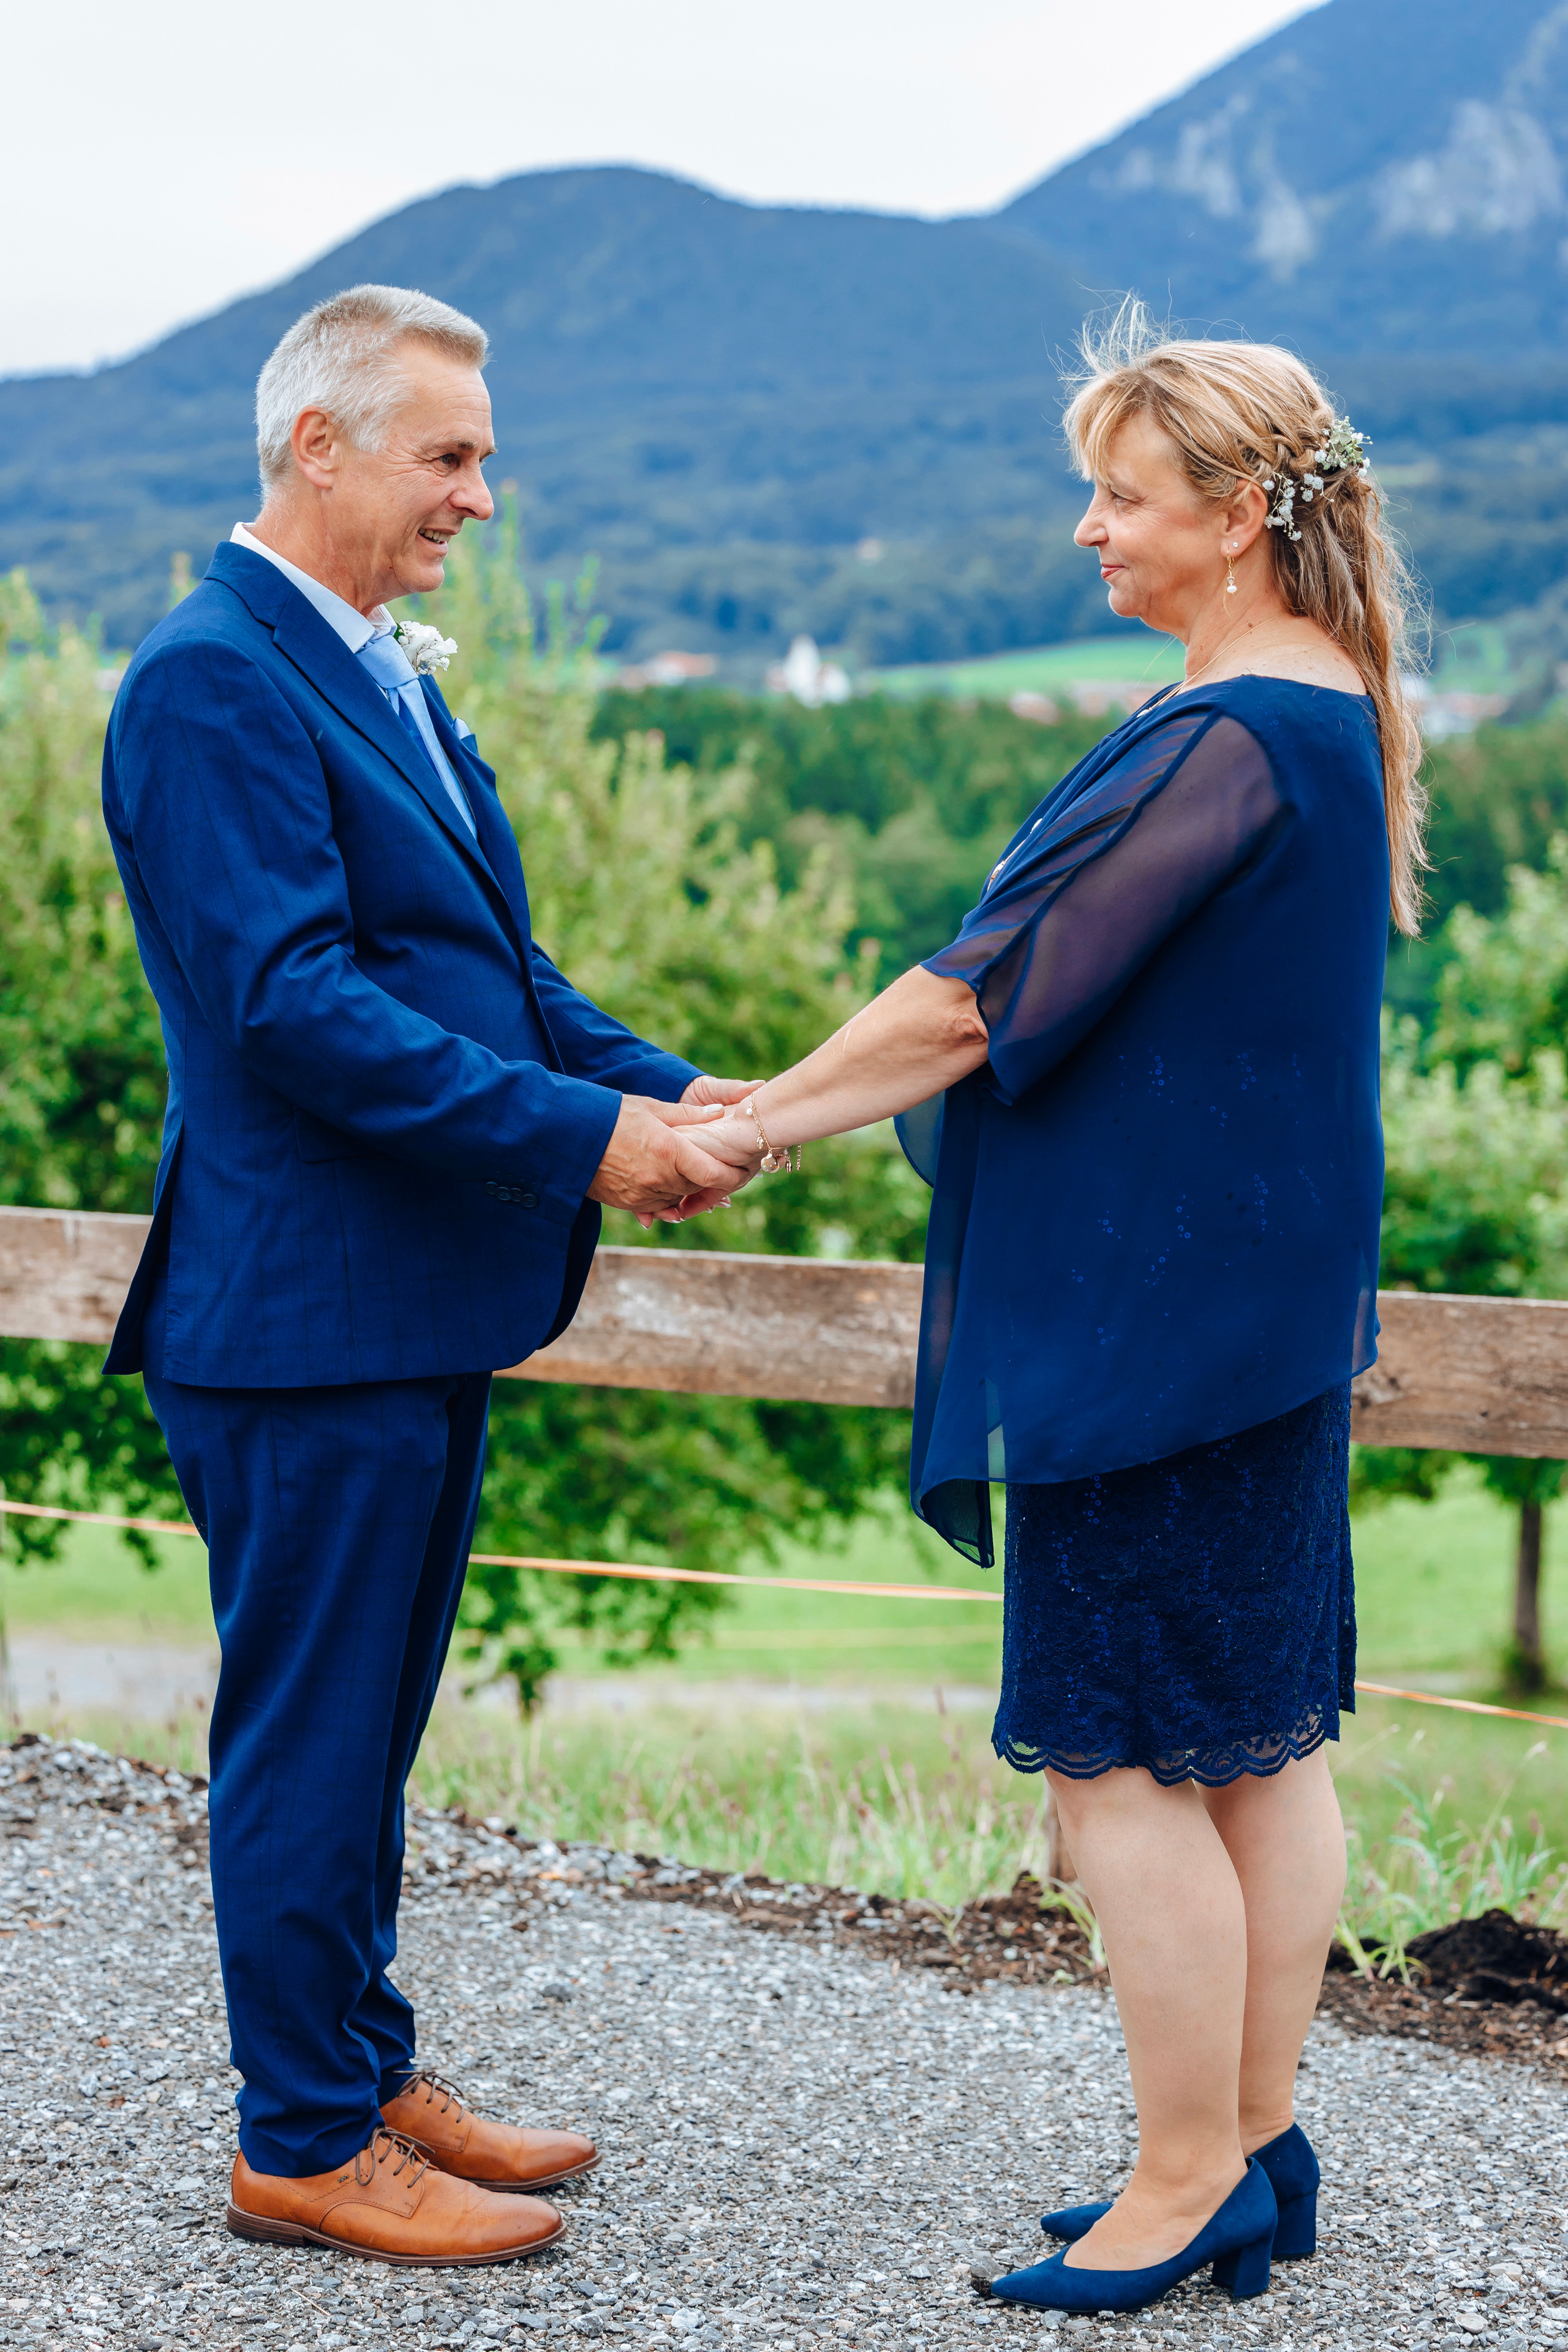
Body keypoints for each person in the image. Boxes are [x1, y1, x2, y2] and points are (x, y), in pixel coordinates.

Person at [692, 309, 1422, 2318]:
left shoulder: (1229, 735)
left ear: (1241, 515)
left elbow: (978, 993)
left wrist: (751, 1125)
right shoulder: (1325, 709)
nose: (1086, 531)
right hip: (1256, 1326)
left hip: (1159, 1339)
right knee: (1257, 1747)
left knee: (1122, 1779)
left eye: (1119, 493)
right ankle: (1255, 2144)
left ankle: (1186, 2173)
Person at [101, 283, 747, 2267]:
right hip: (302, 1322)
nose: (483, 490)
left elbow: (491, 975)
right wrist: (586, 1145)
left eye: (480, 453)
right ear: (319, 445)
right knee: (307, 1738)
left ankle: (365, 2060)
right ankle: (300, 2136)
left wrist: (677, 1090)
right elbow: (294, 1010)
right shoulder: (211, 683)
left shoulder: (373, 669)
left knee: (368, 1730)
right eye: (448, 454)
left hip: (410, 1305)